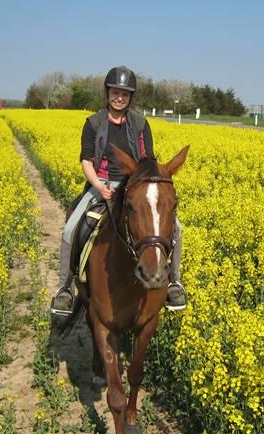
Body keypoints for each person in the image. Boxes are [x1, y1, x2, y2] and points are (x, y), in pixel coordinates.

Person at [51, 65, 187, 318]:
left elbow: (146, 162)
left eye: (124, 93)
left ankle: (174, 282)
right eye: (115, 92)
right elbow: (86, 161)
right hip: (101, 183)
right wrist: (99, 186)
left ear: (130, 97)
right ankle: (66, 287)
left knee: (175, 227)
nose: (119, 97)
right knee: (72, 227)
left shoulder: (140, 124)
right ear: (107, 93)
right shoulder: (93, 123)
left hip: (134, 186)